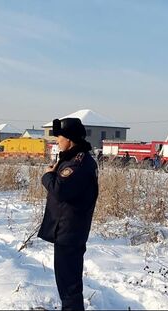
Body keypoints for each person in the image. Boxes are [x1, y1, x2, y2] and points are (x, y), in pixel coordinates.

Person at [38, 118, 99, 310]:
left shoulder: (78, 163)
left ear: (70, 139)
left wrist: (47, 175)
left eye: (60, 137)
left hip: (70, 230)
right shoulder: (73, 159)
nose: (57, 141)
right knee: (66, 280)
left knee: (69, 283)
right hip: (67, 228)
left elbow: (61, 190)